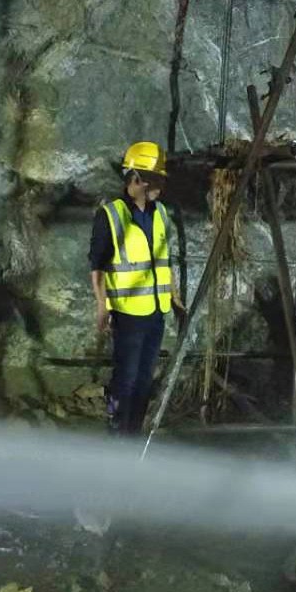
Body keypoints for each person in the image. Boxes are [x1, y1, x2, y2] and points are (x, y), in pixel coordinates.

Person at [88, 141, 182, 435]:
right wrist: (102, 305)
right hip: (128, 313)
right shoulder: (111, 215)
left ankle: (134, 432)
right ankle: (116, 430)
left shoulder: (161, 214)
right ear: (137, 178)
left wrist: (174, 296)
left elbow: (165, 260)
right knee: (125, 378)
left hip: (156, 310)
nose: (161, 185)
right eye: (156, 179)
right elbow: (98, 266)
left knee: (143, 379)